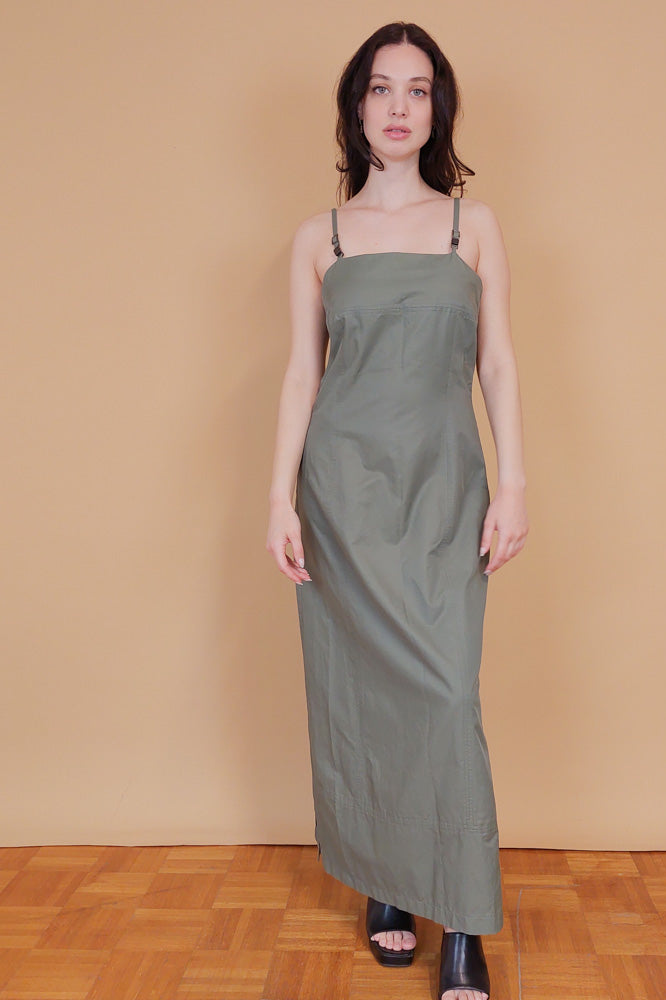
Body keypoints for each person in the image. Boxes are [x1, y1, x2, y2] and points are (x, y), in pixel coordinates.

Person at [266, 21, 528, 1000]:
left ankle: (460, 918)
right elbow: (303, 374)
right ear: (356, 105)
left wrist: (515, 483)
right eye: (381, 87)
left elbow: (496, 362)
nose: (398, 106)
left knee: (447, 697)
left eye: (418, 89)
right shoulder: (320, 238)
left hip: (443, 492)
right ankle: (388, 880)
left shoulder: (473, 226)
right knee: (362, 697)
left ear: (437, 108)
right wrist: (277, 498)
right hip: (342, 495)